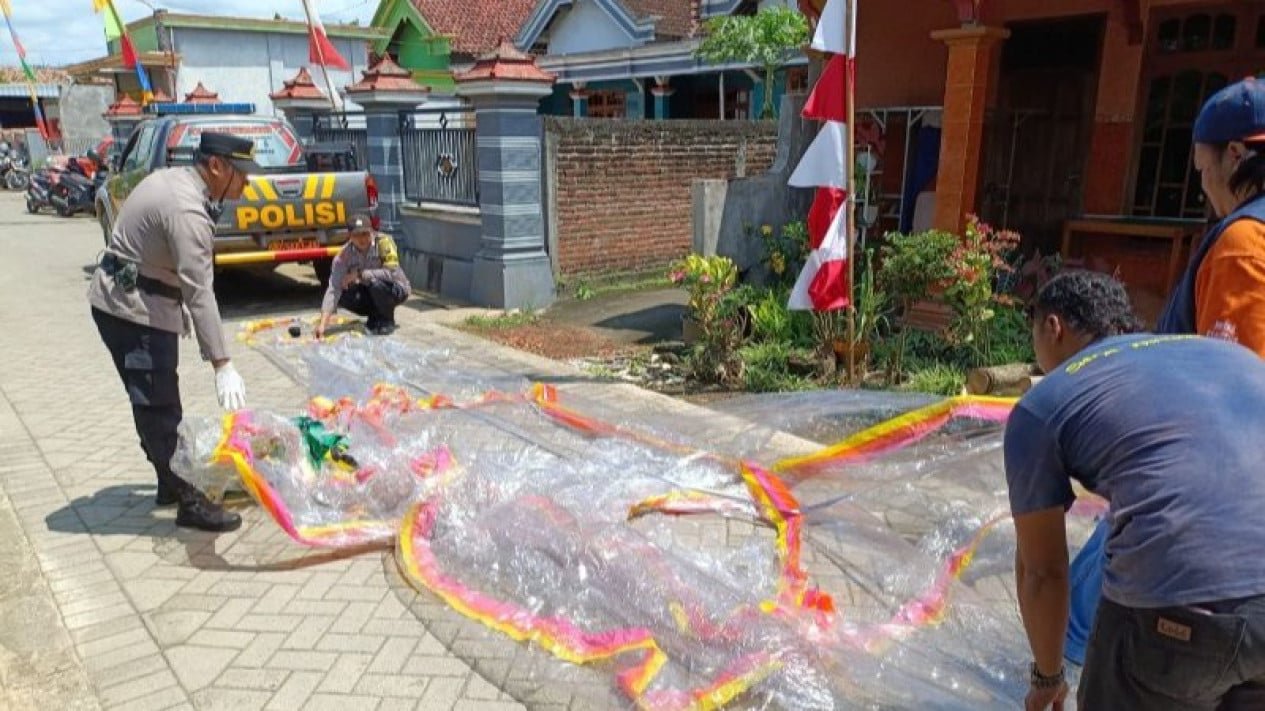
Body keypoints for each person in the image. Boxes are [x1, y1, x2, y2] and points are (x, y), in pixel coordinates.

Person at [1065, 76, 1265, 665]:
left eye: (1202, 168)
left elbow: (1235, 381)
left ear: (1235, 155)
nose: (1203, 185)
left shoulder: (1245, 245)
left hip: (1207, 488)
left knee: (1086, 612)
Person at [1004, 270, 1265, 711]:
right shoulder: (1225, 354)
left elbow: (1042, 570)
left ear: (1053, 327)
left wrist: (1048, 675)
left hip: (1181, 608)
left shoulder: (1045, 404)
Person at [88, 132, 257, 533]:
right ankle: (190, 501)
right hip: (133, 310)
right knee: (158, 405)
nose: (247, 184)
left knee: (153, 400)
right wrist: (222, 364)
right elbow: (200, 293)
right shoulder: (187, 210)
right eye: (242, 174)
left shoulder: (176, 181)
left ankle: (170, 480)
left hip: (131, 300)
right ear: (216, 166)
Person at [315, 212, 410, 338]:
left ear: (372, 232)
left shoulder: (384, 242)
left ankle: (387, 320)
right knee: (344, 292)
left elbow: (392, 273)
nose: (362, 239)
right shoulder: (343, 256)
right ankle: (374, 316)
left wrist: (360, 274)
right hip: (369, 289)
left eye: (365, 233)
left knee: (375, 284)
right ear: (349, 236)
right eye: (356, 235)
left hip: (395, 288)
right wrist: (323, 324)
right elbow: (333, 288)